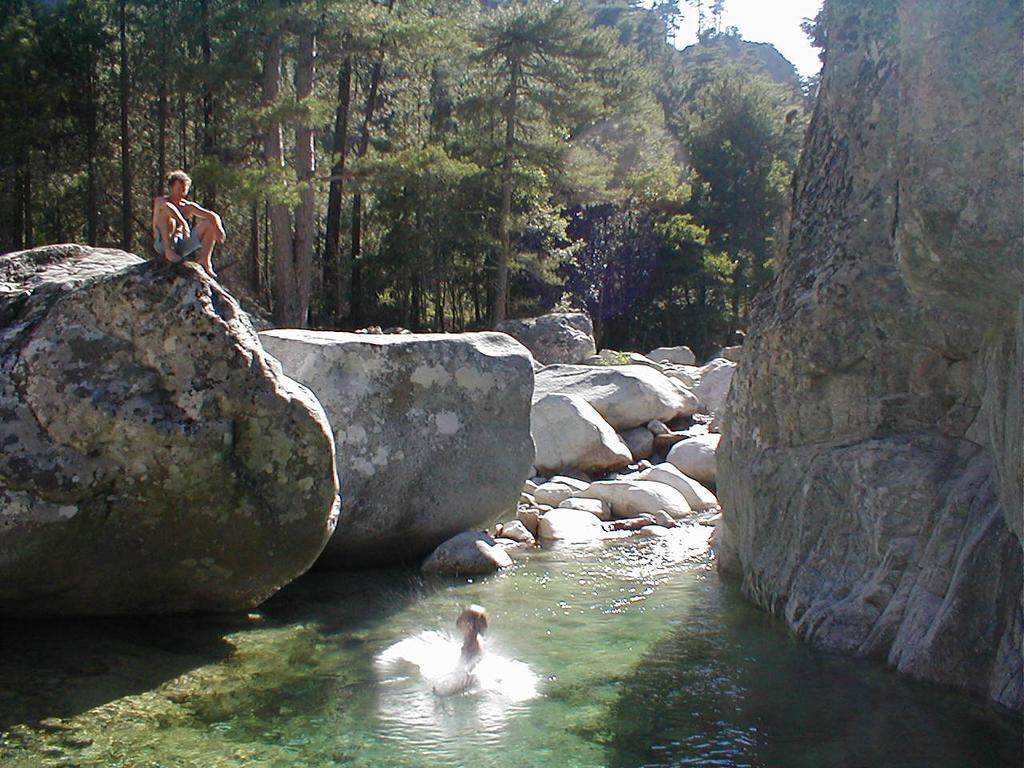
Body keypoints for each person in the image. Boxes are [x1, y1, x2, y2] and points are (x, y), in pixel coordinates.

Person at [151, 169, 226, 277]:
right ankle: (169, 252)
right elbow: (169, 208)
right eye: (179, 188)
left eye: (184, 189)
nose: (182, 192)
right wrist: (183, 222)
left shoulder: (187, 206)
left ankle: (205, 260)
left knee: (209, 224)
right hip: (162, 243)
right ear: (170, 188)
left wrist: (218, 228)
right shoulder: (160, 201)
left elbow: (211, 215)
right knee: (167, 216)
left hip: (181, 243)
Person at [456, 604, 488, 668]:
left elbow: (470, 670)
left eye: (462, 619)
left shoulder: (473, 644)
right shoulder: (471, 638)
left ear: (470, 625)